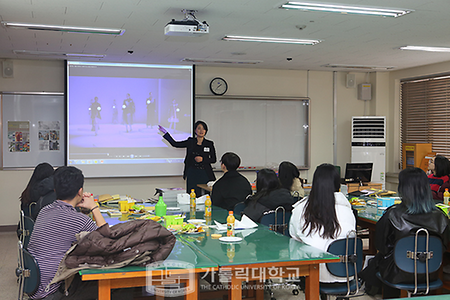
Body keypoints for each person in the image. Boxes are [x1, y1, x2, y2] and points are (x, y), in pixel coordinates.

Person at [360, 167, 450, 298]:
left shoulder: (393, 215)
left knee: (376, 262)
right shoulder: (441, 217)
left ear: (403, 189)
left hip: (396, 273)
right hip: (430, 272)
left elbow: (380, 246)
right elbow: (443, 246)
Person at [27, 166, 107, 300]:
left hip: (35, 285)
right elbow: (107, 238)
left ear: (55, 190)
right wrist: (94, 207)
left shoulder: (45, 210)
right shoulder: (79, 220)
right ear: (80, 191)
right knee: (111, 285)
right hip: (52, 291)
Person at [289, 163, 356, 283]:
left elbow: (293, 237)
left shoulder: (301, 209)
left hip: (312, 273)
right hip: (345, 272)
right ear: (338, 185)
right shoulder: (347, 210)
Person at [159, 121, 216, 195]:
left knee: (205, 195)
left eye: (203, 129)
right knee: (192, 194)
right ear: (195, 130)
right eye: (199, 128)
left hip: (205, 173)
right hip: (192, 172)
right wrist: (165, 133)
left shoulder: (209, 143)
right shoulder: (190, 141)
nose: (201, 131)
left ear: (206, 131)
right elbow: (175, 144)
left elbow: (213, 159)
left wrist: (203, 159)